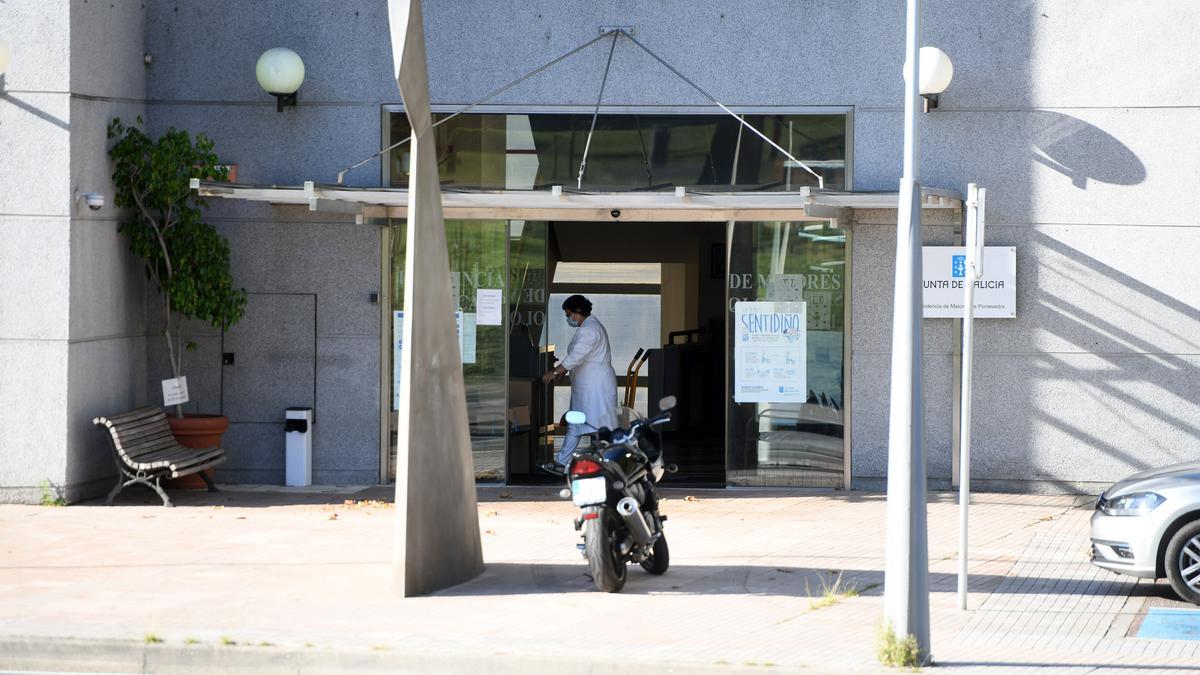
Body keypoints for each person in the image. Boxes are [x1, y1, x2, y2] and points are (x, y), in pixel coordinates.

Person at [541, 295, 618, 473]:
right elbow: (579, 357)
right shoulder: (590, 326)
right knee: (579, 424)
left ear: (578, 312)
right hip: (588, 386)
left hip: (595, 387)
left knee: (596, 425)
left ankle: (606, 464)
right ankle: (563, 463)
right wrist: (564, 370)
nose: (569, 319)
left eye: (569, 315)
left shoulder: (589, 330)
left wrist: (554, 372)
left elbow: (577, 356)